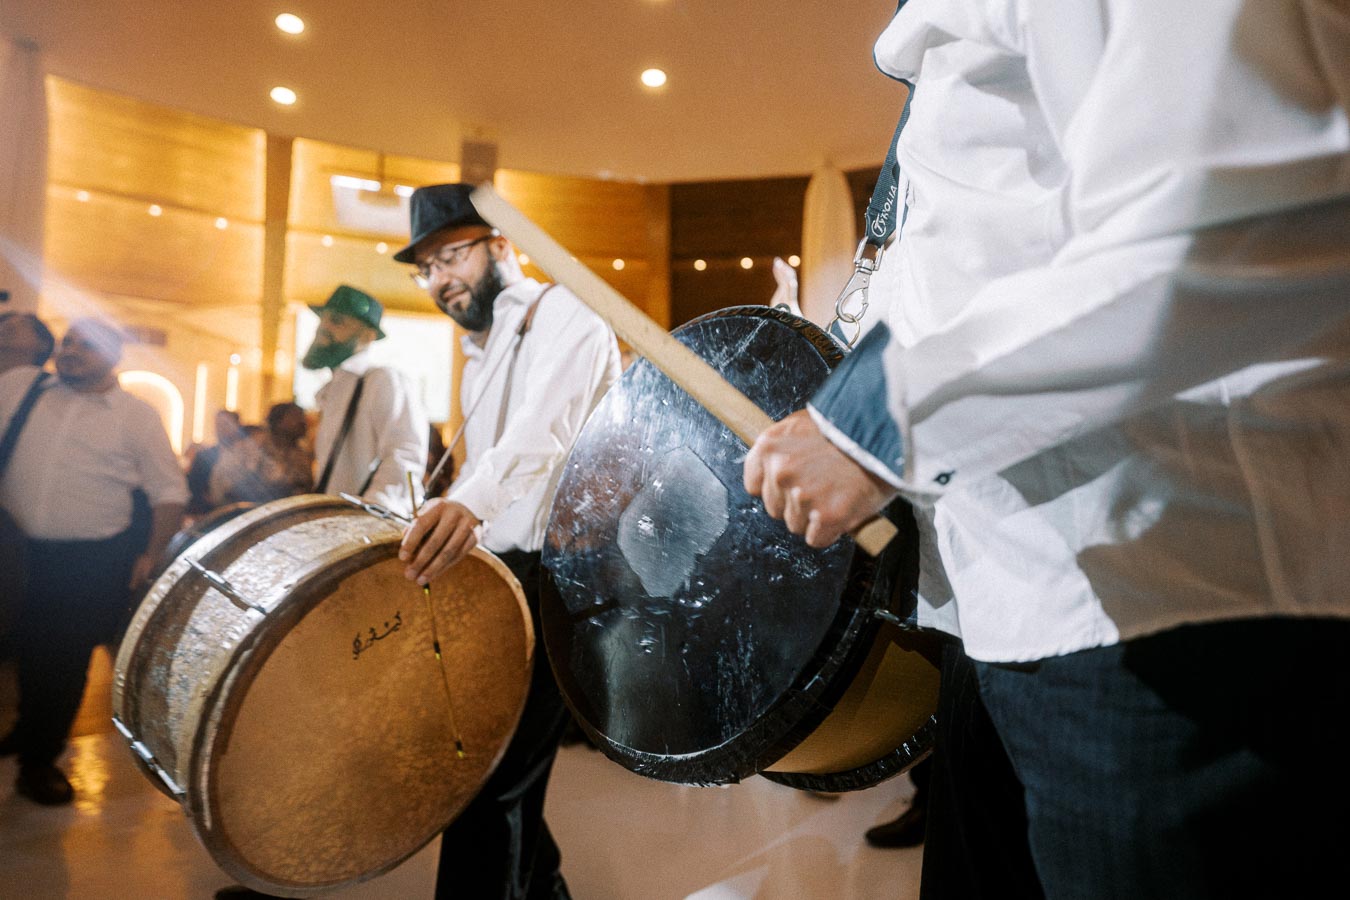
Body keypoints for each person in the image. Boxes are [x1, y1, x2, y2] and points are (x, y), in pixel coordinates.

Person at [746, 3, 1350, 897]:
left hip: (1164, 615)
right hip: (1009, 613)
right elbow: (986, 261)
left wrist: (877, 420)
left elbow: (1254, 214)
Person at [397, 183, 621, 899]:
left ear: (501, 244)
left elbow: (543, 433)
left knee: (488, 782)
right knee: (498, 775)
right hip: (501, 575)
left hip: (563, 577)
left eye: (450, 256)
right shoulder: (483, 350)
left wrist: (467, 503)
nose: (439, 280)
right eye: (426, 269)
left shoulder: (567, 310)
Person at [0, 317, 187, 805]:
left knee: (62, 661)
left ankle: (40, 760)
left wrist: (150, 555)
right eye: (67, 342)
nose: (71, 350)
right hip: (17, 552)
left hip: (89, 560)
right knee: (19, 647)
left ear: (113, 355)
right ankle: (24, 729)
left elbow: (169, 493)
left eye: (85, 345)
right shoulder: (24, 388)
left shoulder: (136, 416)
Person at [303, 284, 428, 517]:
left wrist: (371, 514)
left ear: (367, 335)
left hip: (365, 530)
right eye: (324, 319)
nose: (324, 328)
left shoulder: (382, 379)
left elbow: (404, 455)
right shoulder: (333, 388)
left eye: (337, 321)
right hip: (336, 523)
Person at [185, 409, 244, 517]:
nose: (221, 429)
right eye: (218, 425)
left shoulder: (247, 455)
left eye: (226, 424)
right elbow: (194, 486)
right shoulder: (204, 456)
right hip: (210, 514)